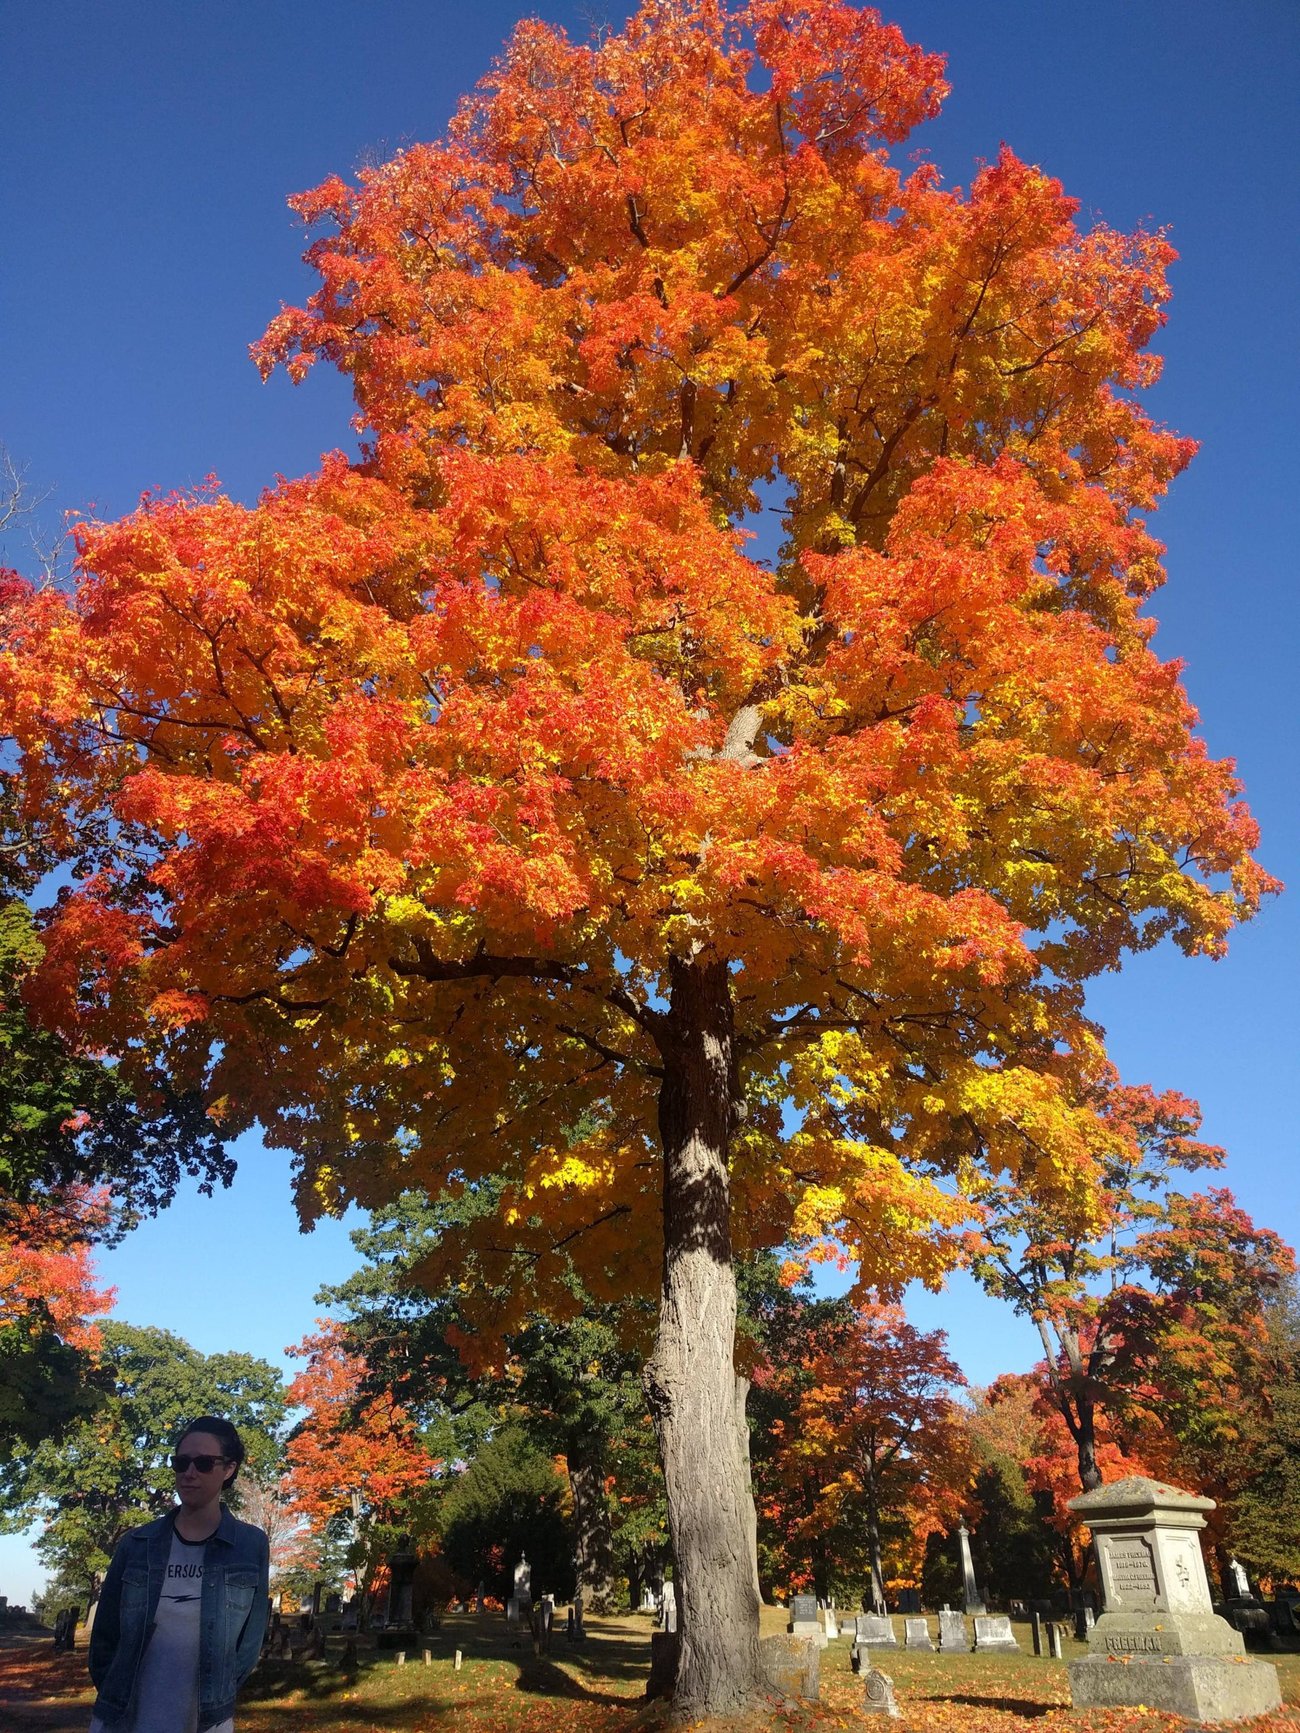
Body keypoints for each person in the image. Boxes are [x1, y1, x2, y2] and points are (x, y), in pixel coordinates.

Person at [88, 1415, 269, 1733]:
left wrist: (217, 1696)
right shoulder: (136, 1544)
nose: (189, 1473)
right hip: (122, 1719)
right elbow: (104, 1639)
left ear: (229, 1469)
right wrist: (115, 1694)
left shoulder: (250, 1546)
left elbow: (248, 1646)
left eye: (203, 1463)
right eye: (181, 1462)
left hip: (206, 1721)